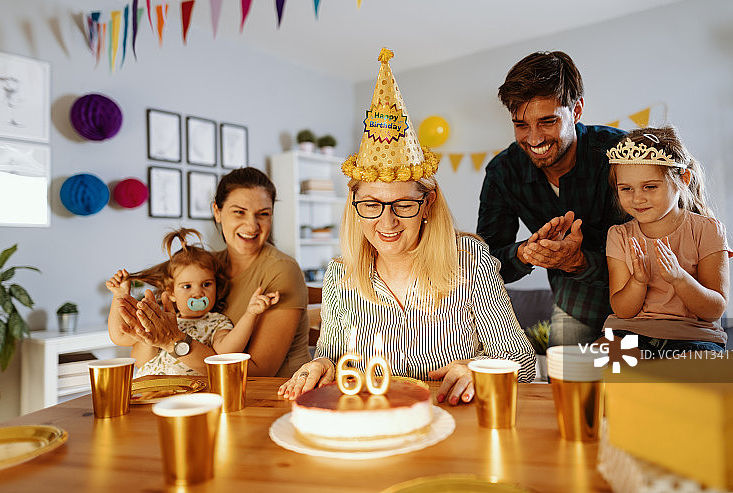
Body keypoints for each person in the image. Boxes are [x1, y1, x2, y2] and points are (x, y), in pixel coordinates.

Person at [278, 48, 536, 406]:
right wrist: (321, 365)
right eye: (370, 205)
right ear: (355, 207)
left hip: (452, 427)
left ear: (427, 203)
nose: (387, 222)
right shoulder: (341, 274)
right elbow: (334, 359)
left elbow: (523, 365)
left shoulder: (471, 262)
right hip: (374, 427)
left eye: (402, 204)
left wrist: (480, 370)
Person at [477, 50, 627, 347]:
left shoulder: (621, 153)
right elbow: (486, 262)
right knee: (566, 390)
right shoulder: (503, 172)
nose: (533, 139)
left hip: (649, 307)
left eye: (547, 121)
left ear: (577, 109)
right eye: (521, 125)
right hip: (577, 307)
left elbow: (658, 243)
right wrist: (524, 254)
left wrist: (580, 261)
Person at [108, 167, 311, 377]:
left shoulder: (281, 270)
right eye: (239, 212)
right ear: (217, 211)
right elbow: (136, 341)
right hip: (207, 390)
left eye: (263, 214)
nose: (252, 226)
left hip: (269, 394)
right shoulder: (207, 267)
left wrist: (174, 342)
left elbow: (261, 372)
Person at [602, 127, 731, 353]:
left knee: (685, 384)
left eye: (650, 187)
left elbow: (714, 310)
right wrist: (638, 281)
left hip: (694, 337)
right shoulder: (619, 235)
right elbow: (623, 310)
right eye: (626, 188)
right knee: (598, 374)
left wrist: (680, 278)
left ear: (683, 180)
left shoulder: (708, 230)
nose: (637, 198)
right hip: (630, 333)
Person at [106, 228, 280, 375]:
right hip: (148, 393)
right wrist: (120, 295)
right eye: (187, 286)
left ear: (216, 287)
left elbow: (226, 353)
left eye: (206, 284)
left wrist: (250, 314)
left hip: (191, 394)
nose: (198, 292)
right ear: (171, 293)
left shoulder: (216, 322)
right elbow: (119, 336)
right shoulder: (160, 320)